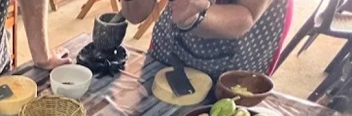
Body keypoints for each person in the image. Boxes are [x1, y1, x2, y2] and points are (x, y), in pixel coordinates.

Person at [121, 0, 290, 78]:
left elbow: (246, 14)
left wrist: (193, 18)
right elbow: (135, 13)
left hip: (240, 43)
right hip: (175, 31)